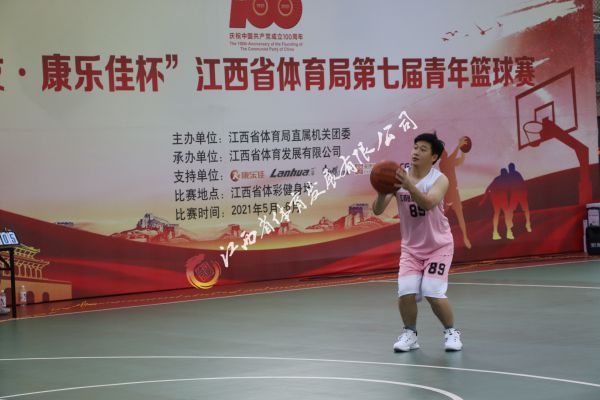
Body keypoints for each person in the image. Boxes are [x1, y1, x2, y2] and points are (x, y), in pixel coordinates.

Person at [372, 132, 462, 352]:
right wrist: (383, 190)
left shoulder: (439, 179)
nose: (416, 152)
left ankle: (451, 332)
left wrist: (409, 186)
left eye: (423, 149)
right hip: (411, 249)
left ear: (433, 157)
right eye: (415, 147)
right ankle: (410, 335)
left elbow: (429, 203)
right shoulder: (398, 176)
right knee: (405, 291)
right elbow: (377, 210)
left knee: (432, 291)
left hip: (438, 246)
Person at [439, 137, 471, 249]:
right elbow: (452, 158)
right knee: (441, 216)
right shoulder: (443, 163)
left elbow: (460, 161)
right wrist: (458, 146)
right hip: (448, 194)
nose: (445, 152)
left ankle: (465, 237)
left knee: (460, 216)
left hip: (454, 193)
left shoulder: (450, 161)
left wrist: (463, 152)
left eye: (445, 151)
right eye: (443, 152)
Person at [480, 168, 512, 240]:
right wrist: (483, 200)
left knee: (499, 213)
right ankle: (505, 232)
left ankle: (497, 232)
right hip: (498, 198)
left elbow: (488, 189)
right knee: (503, 213)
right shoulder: (501, 179)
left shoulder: (498, 179)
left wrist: (483, 200)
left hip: (496, 198)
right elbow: (488, 189)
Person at [507, 162, 532, 233]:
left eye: (511, 168)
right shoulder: (509, 176)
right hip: (514, 195)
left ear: (513, 168)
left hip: (520, 194)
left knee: (526, 210)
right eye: (509, 168)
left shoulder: (517, 174)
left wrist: (525, 193)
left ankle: (528, 224)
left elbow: (522, 183)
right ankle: (510, 223)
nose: (510, 169)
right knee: (511, 210)